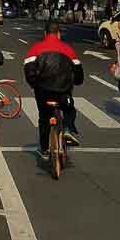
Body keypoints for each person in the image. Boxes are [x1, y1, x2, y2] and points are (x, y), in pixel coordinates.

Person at [24, 21, 84, 159]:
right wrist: (75, 82)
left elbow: (28, 72)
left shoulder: (36, 49)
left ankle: (44, 149)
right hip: (63, 92)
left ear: (45, 34)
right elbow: (79, 74)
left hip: (43, 91)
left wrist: (35, 85)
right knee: (69, 109)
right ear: (59, 34)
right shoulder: (68, 49)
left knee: (44, 118)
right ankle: (68, 129)